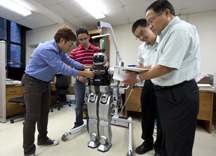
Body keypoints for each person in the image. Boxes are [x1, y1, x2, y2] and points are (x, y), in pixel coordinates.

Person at [123, 0, 200, 156]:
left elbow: (166, 67)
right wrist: (136, 72)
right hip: (166, 93)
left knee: (177, 146)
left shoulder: (179, 30)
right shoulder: (167, 35)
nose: (150, 25)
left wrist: (138, 78)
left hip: (178, 94)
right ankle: (151, 144)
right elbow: (157, 64)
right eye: (148, 22)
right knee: (168, 139)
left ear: (166, 13)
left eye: (151, 21)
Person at [22, 26, 95, 156]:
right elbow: (63, 68)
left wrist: (84, 66)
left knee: (44, 113)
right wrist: (85, 73)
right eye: (71, 44)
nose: (71, 47)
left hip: (45, 83)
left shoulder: (58, 50)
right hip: (32, 82)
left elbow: (69, 61)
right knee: (32, 117)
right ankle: (28, 151)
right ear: (62, 40)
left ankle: (42, 138)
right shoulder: (47, 49)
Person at [132, 19, 162, 156]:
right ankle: (147, 142)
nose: (141, 38)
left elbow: (161, 65)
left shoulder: (163, 41)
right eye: (138, 37)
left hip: (163, 81)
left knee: (162, 117)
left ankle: (160, 147)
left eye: (142, 33)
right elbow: (141, 64)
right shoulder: (142, 48)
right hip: (148, 82)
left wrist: (145, 69)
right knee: (147, 114)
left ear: (150, 27)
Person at [69, 26, 100, 129]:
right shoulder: (74, 52)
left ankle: (90, 125)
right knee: (78, 105)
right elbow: (69, 67)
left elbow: (103, 64)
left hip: (93, 81)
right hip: (79, 81)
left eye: (85, 38)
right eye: (81, 39)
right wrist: (77, 77)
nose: (83, 41)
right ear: (78, 40)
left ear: (89, 37)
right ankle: (78, 124)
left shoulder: (97, 50)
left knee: (93, 104)